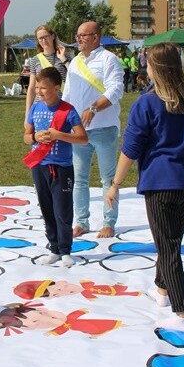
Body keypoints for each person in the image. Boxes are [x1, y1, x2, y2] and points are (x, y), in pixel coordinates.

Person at [106, 42, 184, 333]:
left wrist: (115, 184)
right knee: (171, 240)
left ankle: (182, 314)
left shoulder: (146, 104)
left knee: (168, 248)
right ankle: (161, 289)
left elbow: (131, 149)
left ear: (154, 68)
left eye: (147, 64)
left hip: (161, 185)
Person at [64, 21, 124, 238]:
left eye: (83, 35)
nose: (78, 39)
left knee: (108, 179)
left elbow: (116, 89)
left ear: (96, 37)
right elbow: (68, 94)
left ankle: (109, 222)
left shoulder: (109, 59)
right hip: (79, 132)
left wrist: (93, 108)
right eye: (77, 35)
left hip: (104, 128)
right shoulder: (75, 62)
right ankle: (81, 222)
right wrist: (63, 121)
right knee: (79, 179)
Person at [23, 66, 88, 268]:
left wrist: (59, 135)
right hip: (39, 166)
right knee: (47, 209)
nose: (39, 92)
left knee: (63, 211)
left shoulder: (67, 110)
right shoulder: (35, 109)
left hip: (61, 168)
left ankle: (65, 250)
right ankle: (54, 248)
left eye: (43, 88)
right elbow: (26, 137)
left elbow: (83, 138)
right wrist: (35, 137)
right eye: (37, 88)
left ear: (57, 88)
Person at [23, 24, 68, 121]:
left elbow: (74, 75)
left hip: (61, 105)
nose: (44, 40)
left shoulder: (65, 56)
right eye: (40, 38)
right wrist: (27, 114)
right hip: (40, 107)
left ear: (53, 36)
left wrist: (64, 59)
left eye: (46, 36)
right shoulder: (34, 60)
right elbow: (32, 87)